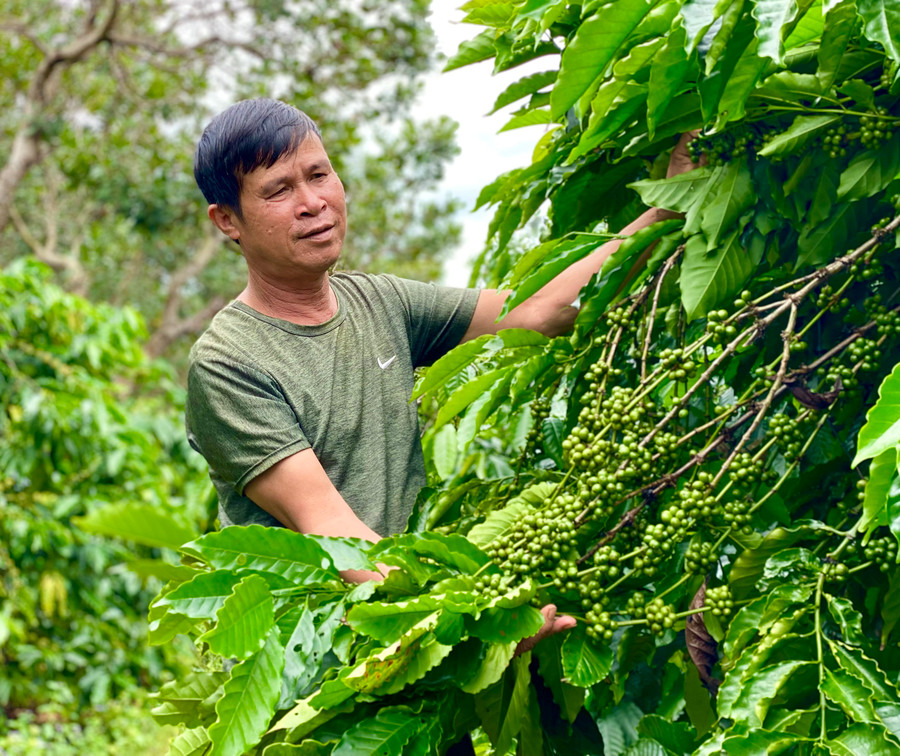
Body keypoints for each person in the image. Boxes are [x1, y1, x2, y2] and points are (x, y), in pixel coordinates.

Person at [186, 98, 695, 632]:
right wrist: (477, 615)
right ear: (227, 220)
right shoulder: (228, 362)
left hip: (419, 631)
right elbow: (331, 529)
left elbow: (539, 312)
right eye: (279, 190)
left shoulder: (382, 303)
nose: (313, 203)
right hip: (309, 662)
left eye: (319, 175)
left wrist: (667, 205)